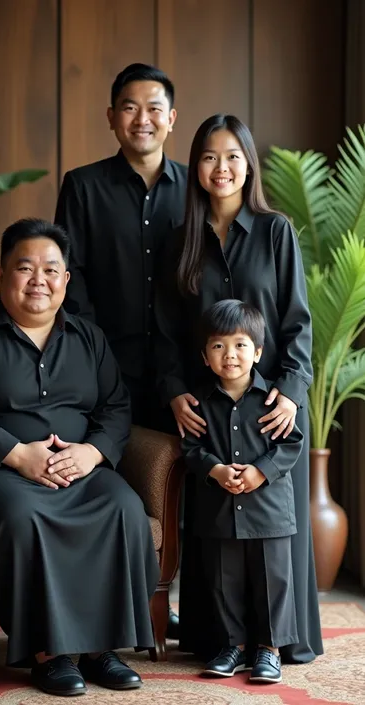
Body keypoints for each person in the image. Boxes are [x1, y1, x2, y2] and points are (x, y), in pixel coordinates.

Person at [0, 218, 160, 698]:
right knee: (25, 515)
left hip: (78, 470)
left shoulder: (89, 338)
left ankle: (102, 649)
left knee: (124, 508)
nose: (39, 280)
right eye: (25, 267)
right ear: (0, 273)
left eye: (51, 269)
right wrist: (14, 454)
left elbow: (115, 407)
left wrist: (92, 453)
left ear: (66, 279)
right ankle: (49, 654)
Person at [155, 113, 323, 664]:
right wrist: (177, 390)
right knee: (218, 537)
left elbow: (298, 322)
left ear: (248, 164)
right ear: (195, 167)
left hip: (271, 406)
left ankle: (273, 643)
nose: (221, 168)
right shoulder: (181, 240)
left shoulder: (275, 231)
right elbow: (167, 331)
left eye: (232, 156)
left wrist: (293, 394)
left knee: (274, 535)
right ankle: (221, 642)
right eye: (208, 157)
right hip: (209, 411)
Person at [55, 62, 187, 636]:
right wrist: (94, 354)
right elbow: (70, 275)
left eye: (154, 107)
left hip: (181, 371)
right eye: (129, 107)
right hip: (103, 369)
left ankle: (169, 605)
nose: (143, 118)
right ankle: (102, 608)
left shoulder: (198, 188)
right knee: (107, 479)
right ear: (111, 118)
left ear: (172, 119)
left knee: (178, 485)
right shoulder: (83, 186)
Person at [181, 299, 303, 683]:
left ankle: (268, 650)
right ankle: (231, 646)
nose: (229, 355)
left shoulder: (273, 402)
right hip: (218, 510)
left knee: (272, 582)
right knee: (223, 580)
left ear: (258, 351)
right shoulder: (199, 403)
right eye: (218, 346)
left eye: (240, 345)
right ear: (204, 356)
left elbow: (290, 445)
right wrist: (215, 470)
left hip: (268, 510)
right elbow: (190, 448)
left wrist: (260, 472)